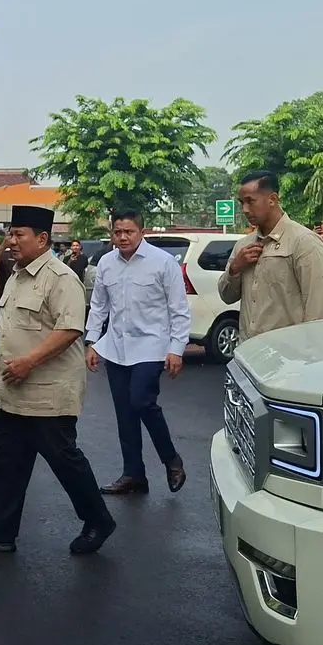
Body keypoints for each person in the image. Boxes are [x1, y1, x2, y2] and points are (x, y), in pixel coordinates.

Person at [0, 206, 114, 555]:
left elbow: (70, 328)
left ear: (42, 239)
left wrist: (29, 361)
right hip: (12, 391)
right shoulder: (16, 275)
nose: (11, 241)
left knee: (64, 461)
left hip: (48, 394)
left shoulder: (60, 277)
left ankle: (98, 519)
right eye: (10, 234)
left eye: (18, 235)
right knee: (8, 463)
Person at [85, 210, 190, 496]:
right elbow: (99, 306)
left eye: (128, 232)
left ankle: (171, 460)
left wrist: (176, 349)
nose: (123, 237)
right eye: (117, 232)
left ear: (141, 232)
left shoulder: (163, 263)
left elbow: (178, 310)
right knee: (125, 413)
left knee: (141, 401)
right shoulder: (106, 263)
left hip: (152, 346)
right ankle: (134, 475)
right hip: (116, 346)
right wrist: (92, 341)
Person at [216, 171, 323, 341]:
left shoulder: (304, 242)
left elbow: (319, 309)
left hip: (288, 357)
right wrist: (235, 269)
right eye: (242, 203)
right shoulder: (243, 246)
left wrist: (311, 356)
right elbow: (227, 297)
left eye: (251, 201)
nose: (245, 210)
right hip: (249, 354)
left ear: (273, 199)